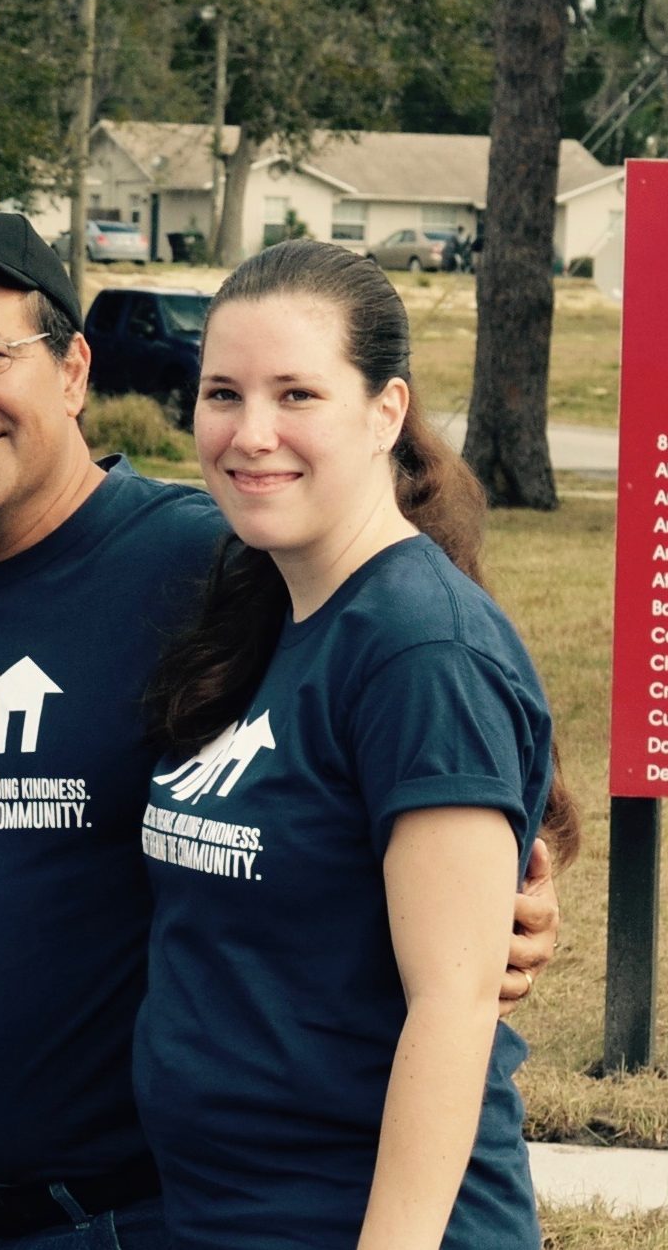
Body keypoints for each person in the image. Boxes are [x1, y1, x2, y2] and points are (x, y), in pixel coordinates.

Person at [0, 205, 568, 1250]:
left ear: (75, 371)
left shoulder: (210, 561)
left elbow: (443, 714)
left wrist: (520, 897)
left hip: (146, 1212)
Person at [135, 240, 557, 1248]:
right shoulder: (268, 614)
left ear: (384, 411)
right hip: (229, 1218)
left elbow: (451, 1010)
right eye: (222, 394)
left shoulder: (418, 651)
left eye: (296, 395)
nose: (249, 433)